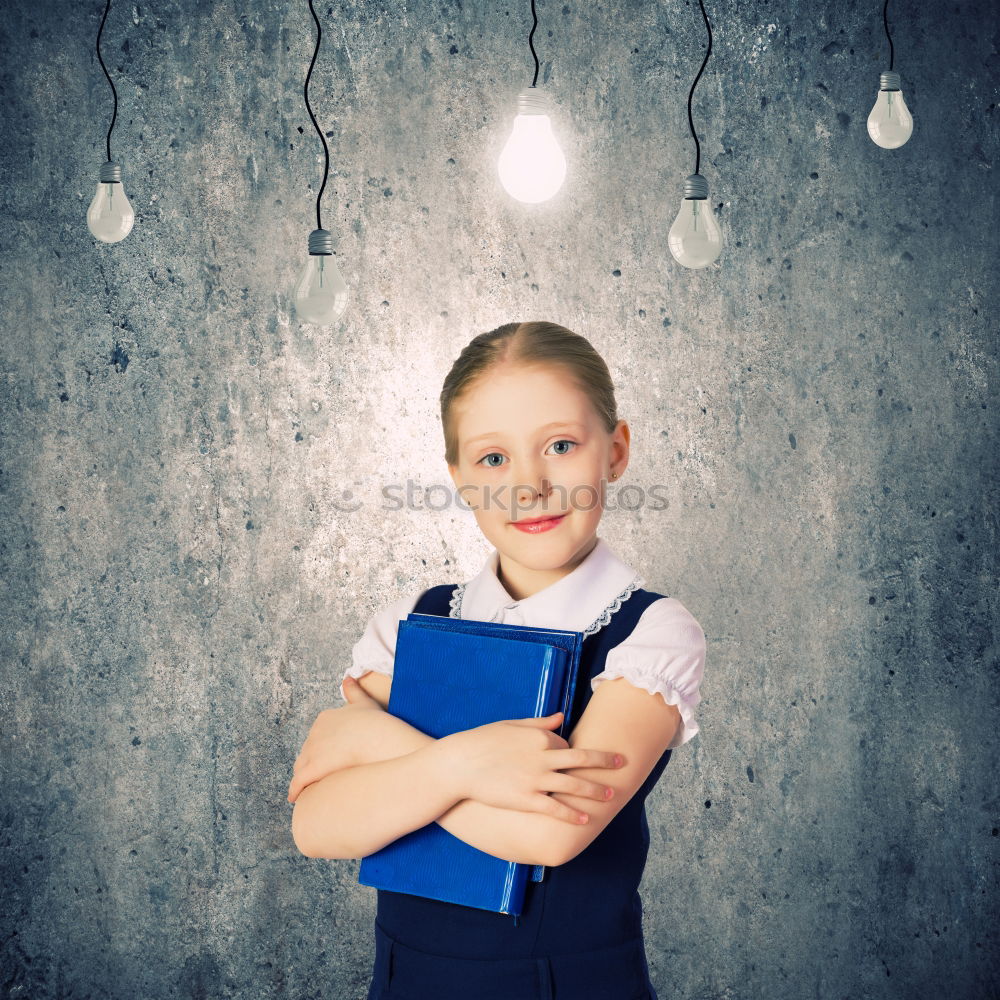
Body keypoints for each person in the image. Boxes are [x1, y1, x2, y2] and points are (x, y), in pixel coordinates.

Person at [288, 320, 706, 1000]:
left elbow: (547, 835)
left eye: (561, 446)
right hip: (406, 979)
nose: (529, 486)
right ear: (456, 477)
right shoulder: (412, 620)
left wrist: (380, 744)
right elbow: (316, 825)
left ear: (617, 450)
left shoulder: (649, 633)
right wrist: (466, 765)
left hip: (567, 986)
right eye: (492, 459)